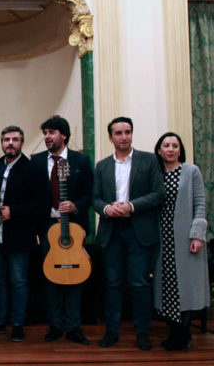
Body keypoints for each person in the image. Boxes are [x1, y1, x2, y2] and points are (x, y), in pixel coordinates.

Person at [92, 116, 164, 351]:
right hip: (111, 231)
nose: (124, 137)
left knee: (140, 284)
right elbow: (95, 198)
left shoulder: (150, 160)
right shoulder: (102, 165)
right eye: (119, 133)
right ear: (110, 137)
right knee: (112, 284)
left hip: (138, 230)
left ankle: (143, 332)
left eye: (127, 132)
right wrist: (106, 208)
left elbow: (158, 194)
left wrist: (131, 206)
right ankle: (112, 331)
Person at [30, 115, 93, 345]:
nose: (47, 137)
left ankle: (74, 326)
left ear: (63, 135)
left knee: (75, 276)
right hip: (47, 228)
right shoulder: (36, 161)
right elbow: (32, 196)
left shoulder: (81, 161)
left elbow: (90, 194)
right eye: (45, 133)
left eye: (52, 132)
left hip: (74, 229)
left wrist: (76, 205)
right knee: (51, 276)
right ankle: (55, 325)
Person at [0, 125, 46, 342]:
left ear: (21, 142)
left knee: (19, 282)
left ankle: (18, 324)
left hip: (19, 237)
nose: (10, 143)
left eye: (15, 139)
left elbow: (42, 205)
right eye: (6, 140)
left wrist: (15, 212)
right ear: (1, 143)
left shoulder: (33, 169)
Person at [153, 132, 209, 351]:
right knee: (167, 286)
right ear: (159, 149)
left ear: (180, 150)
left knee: (186, 286)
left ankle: (183, 334)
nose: (170, 149)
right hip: (161, 239)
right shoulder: (155, 173)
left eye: (175, 145)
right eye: (166, 145)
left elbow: (200, 203)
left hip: (185, 238)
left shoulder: (191, 171)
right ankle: (173, 330)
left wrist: (197, 234)